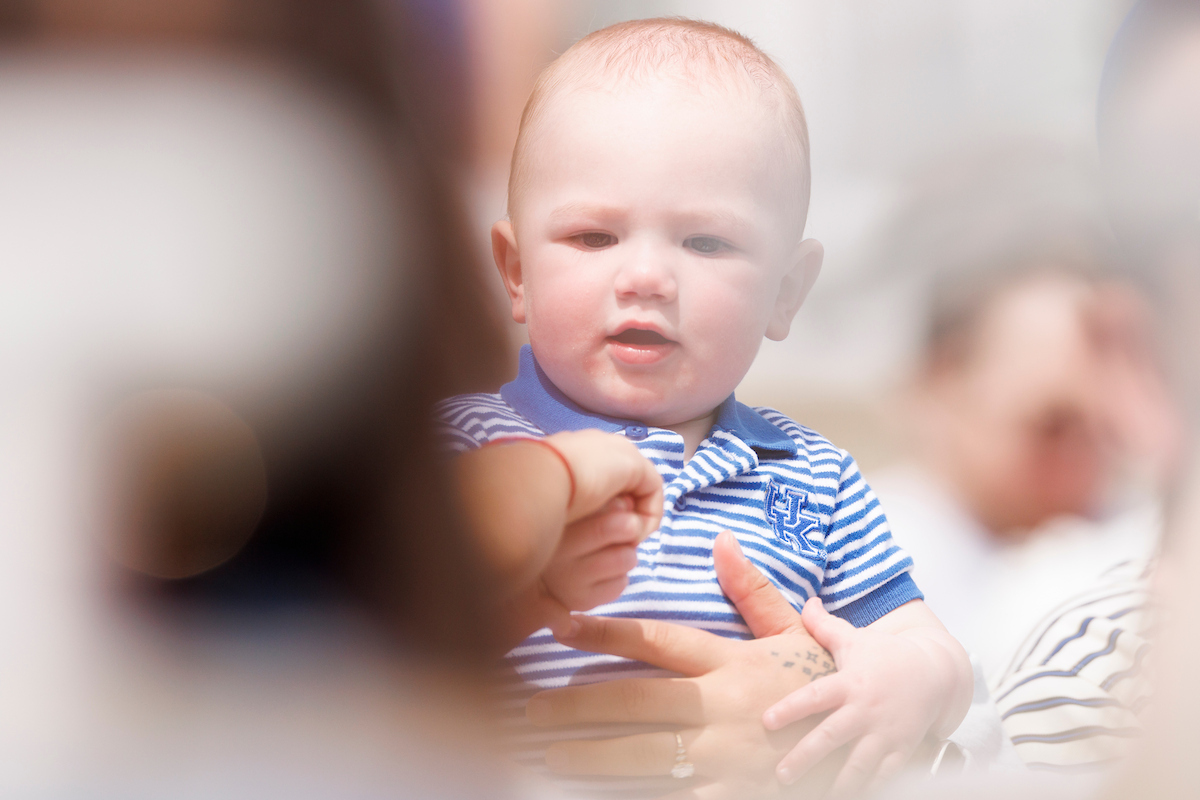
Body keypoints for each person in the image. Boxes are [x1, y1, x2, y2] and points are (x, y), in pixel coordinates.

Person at [437, 17, 973, 798]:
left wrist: (912, 680)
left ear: (785, 292)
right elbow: (366, 638)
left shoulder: (816, 476)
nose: (646, 277)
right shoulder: (456, 446)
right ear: (516, 271)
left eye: (706, 243)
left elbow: (922, 643)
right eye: (593, 237)